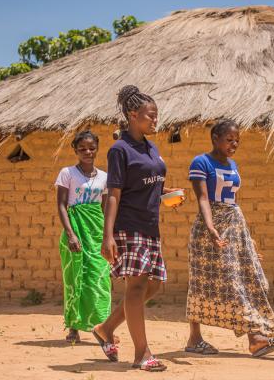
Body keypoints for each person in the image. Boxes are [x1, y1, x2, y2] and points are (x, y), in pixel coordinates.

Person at [92, 85, 183, 372]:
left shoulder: (150, 147)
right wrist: (108, 236)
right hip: (129, 226)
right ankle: (142, 354)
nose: (156, 120)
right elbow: (115, 193)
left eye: (156, 115)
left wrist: (166, 193)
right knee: (137, 287)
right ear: (133, 115)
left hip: (150, 225)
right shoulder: (119, 150)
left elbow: (148, 183)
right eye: (150, 115)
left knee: (153, 285)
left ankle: (106, 329)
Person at [185, 119, 274, 357]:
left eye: (237, 141)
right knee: (204, 283)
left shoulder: (233, 165)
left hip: (234, 228)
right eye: (229, 140)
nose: (234, 144)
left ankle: (256, 338)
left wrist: (247, 241)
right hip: (209, 231)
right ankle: (251, 339)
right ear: (215, 139)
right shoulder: (201, 162)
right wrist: (211, 228)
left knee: (251, 279)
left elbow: (234, 203)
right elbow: (203, 199)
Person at [55, 130, 112, 343]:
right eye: (82, 149)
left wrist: (109, 235)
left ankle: (102, 326)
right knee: (75, 277)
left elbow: (105, 209)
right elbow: (61, 205)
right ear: (75, 150)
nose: (88, 152)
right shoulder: (67, 173)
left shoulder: (105, 177)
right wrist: (71, 235)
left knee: (99, 278)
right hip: (76, 230)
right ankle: (73, 326)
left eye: (91, 148)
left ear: (97, 148)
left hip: (96, 232)